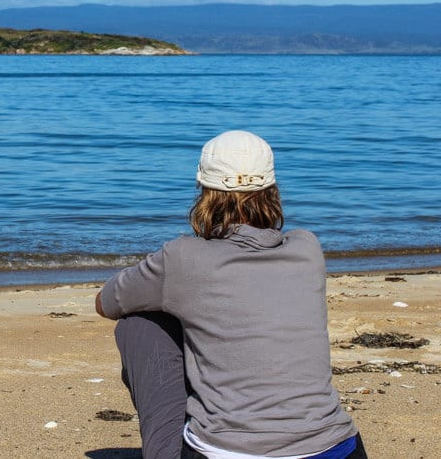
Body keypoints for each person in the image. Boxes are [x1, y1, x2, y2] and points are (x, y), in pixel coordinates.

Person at [95, 131, 367, 458]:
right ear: (272, 190)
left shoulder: (183, 257)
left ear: (204, 191)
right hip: (337, 447)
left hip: (227, 452)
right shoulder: (308, 248)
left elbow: (107, 302)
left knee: (139, 323)